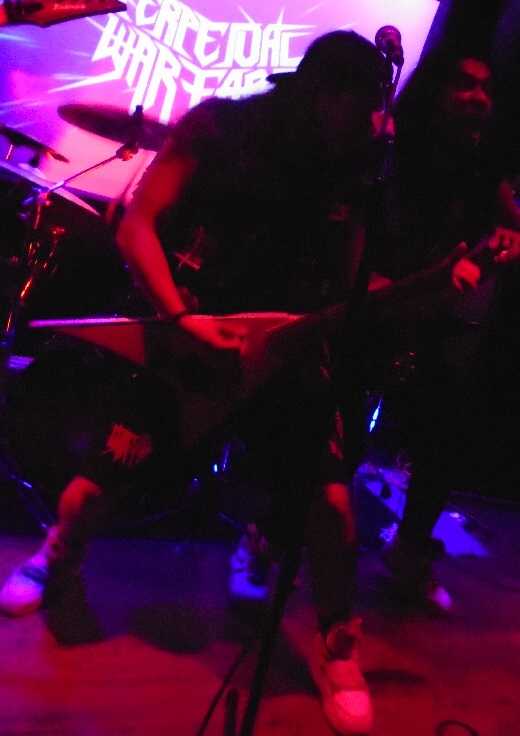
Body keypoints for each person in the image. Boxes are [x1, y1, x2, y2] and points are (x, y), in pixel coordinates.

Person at [0, 31, 389, 735]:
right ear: (323, 93)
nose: (371, 124)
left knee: (332, 508)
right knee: (93, 490)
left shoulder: (355, 172)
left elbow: (347, 281)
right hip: (193, 342)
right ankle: (58, 555)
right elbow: (138, 226)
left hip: (284, 353)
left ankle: (337, 643)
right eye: (362, 106)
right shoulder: (220, 127)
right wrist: (181, 318)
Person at [361, 49, 520, 612]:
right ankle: (275, 538)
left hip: (440, 317)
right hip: (377, 301)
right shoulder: (391, 148)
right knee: (332, 429)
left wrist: (508, 239)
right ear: (435, 92)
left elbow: (510, 223)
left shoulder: (482, 163)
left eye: (487, 90)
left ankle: (408, 554)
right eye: (466, 86)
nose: (479, 99)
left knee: (443, 437)